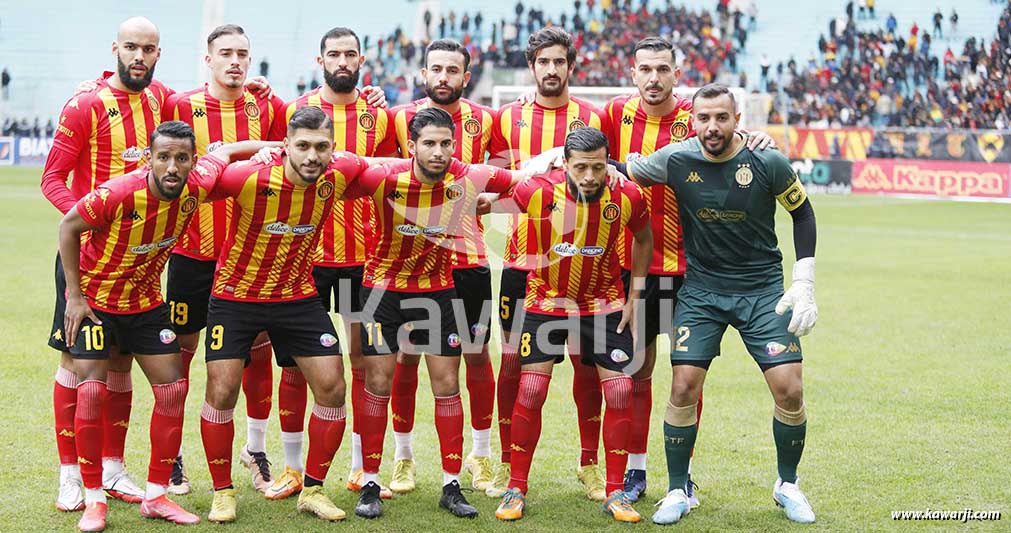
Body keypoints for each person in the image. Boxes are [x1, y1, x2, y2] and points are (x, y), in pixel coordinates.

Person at [58, 120, 271, 531]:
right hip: (98, 304)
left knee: (173, 389)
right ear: (149, 158)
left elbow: (225, 153)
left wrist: (275, 147)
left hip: (146, 303)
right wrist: (75, 296)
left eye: (181, 158)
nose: (172, 167)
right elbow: (68, 226)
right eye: (163, 157)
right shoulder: (118, 193)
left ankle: (156, 496)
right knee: (91, 392)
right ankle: (93, 499)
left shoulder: (197, 185)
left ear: (193, 160)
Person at [347, 107, 555, 520]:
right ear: (412, 145)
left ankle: (451, 484)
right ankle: (370, 480)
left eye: (445, 143)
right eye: (429, 143)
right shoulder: (383, 177)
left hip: (437, 293)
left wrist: (557, 159)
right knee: (378, 380)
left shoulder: (468, 176)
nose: (438, 152)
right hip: (382, 292)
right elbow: (334, 171)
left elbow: (529, 182)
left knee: (447, 384)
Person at [625, 84, 818, 525]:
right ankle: (678, 490)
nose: (713, 127)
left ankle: (787, 484)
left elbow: (802, 213)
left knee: (790, 390)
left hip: (763, 290)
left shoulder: (766, 159)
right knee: (682, 387)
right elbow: (627, 170)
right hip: (702, 291)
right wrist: (565, 161)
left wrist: (803, 281)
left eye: (722, 118)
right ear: (693, 120)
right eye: (704, 118)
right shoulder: (676, 158)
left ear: (737, 119)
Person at [199, 106, 387, 523]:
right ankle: (222, 491)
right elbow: (201, 177)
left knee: (332, 387)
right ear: (285, 147)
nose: (311, 156)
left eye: (321, 147)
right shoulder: (248, 178)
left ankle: (314, 489)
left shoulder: (340, 173)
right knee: (223, 389)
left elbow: (388, 168)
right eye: (301, 146)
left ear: (333, 150)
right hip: (236, 296)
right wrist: (243, 149)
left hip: (297, 296)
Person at [42, 16, 173, 513]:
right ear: (114, 49)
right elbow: (52, 178)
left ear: (158, 54)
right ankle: (70, 474)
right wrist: (89, 221)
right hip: (90, 260)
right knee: (77, 364)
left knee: (119, 365)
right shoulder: (86, 105)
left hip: (139, 263)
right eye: (131, 47)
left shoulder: (162, 98)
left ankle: (113, 470)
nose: (139, 56)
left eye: (149, 49)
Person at [489, 128, 650, 524]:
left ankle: (615, 492)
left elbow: (644, 239)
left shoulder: (627, 196)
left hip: (604, 304)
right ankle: (516, 486)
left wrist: (636, 297)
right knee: (531, 387)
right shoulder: (539, 191)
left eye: (598, 167)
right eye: (581, 168)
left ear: (608, 162)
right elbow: (493, 201)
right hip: (546, 301)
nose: (591, 176)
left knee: (619, 390)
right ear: (565, 164)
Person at [266, 26, 396, 503]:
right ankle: (293, 468)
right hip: (308, 259)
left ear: (362, 59)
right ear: (320, 59)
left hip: (366, 260)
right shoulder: (293, 111)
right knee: (297, 366)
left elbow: (390, 177)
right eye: (334, 54)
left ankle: (362, 467)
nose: (343, 61)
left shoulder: (379, 114)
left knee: (365, 360)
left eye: (351, 54)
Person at [487, 25, 611, 501]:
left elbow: (609, 183)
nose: (552, 69)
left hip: (585, 264)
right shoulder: (507, 119)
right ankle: (505, 465)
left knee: (587, 363)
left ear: (571, 65)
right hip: (523, 260)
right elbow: (490, 181)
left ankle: (590, 464)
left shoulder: (593, 118)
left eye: (560, 61)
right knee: (514, 365)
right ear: (532, 66)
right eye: (544, 62)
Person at [162, 23, 286, 496]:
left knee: (258, 354)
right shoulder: (181, 106)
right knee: (179, 358)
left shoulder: (266, 106)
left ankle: (254, 450)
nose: (235, 61)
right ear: (208, 58)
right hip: (193, 254)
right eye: (226, 53)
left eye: (243, 54)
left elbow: (284, 155)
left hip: (250, 256)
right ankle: (172, 456)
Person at [388, 38, 497, 494]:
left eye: (453, 70)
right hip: (414, 261)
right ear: (423, 72)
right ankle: (403, 457)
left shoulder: (486, 120)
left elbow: (502, 177)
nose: (444, 78)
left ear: (465, 77)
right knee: (404, 357)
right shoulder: (397, 117)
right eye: (436, 69)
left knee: (475, 355)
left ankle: (482, 455)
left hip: (469, 260)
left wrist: (489, 200)